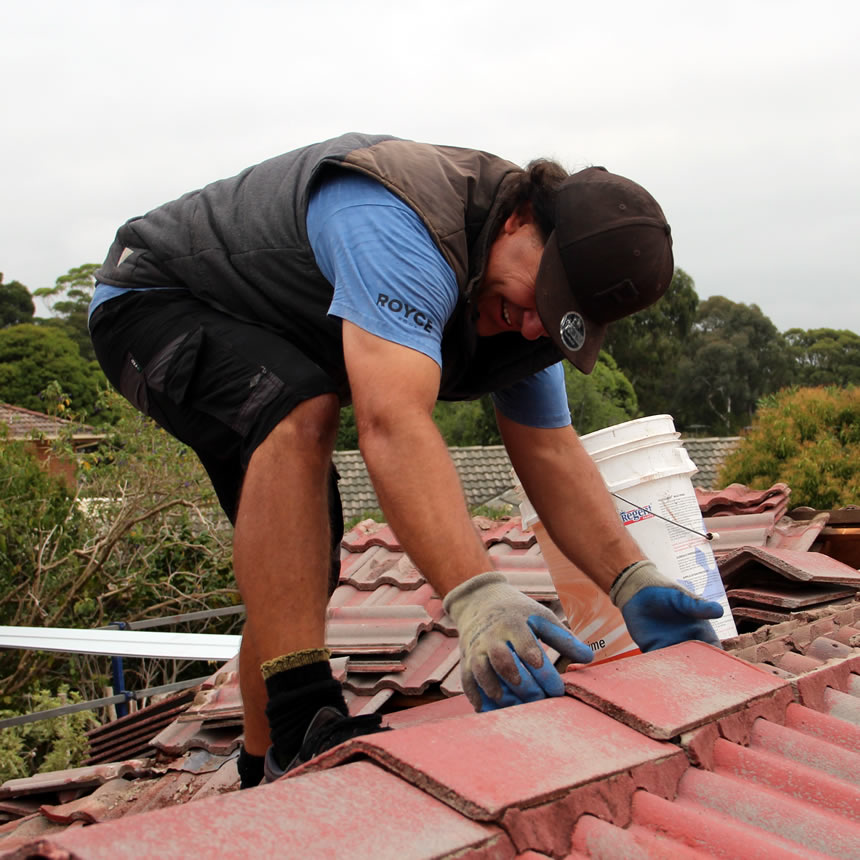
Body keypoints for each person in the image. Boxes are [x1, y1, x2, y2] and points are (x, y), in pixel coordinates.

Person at [89, 132, 723, 788]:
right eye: (545, 292)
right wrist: (477, 597)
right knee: (299, 412)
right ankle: (303, 721)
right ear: (519, 220)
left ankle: (263, 763)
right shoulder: (402, 220)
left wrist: (632, 580)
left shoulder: (527, 314)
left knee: (302, 556)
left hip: (276, 344)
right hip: (155, 300)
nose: (535, 326)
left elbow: (549, 449)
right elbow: (392, 424)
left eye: (561, 317)